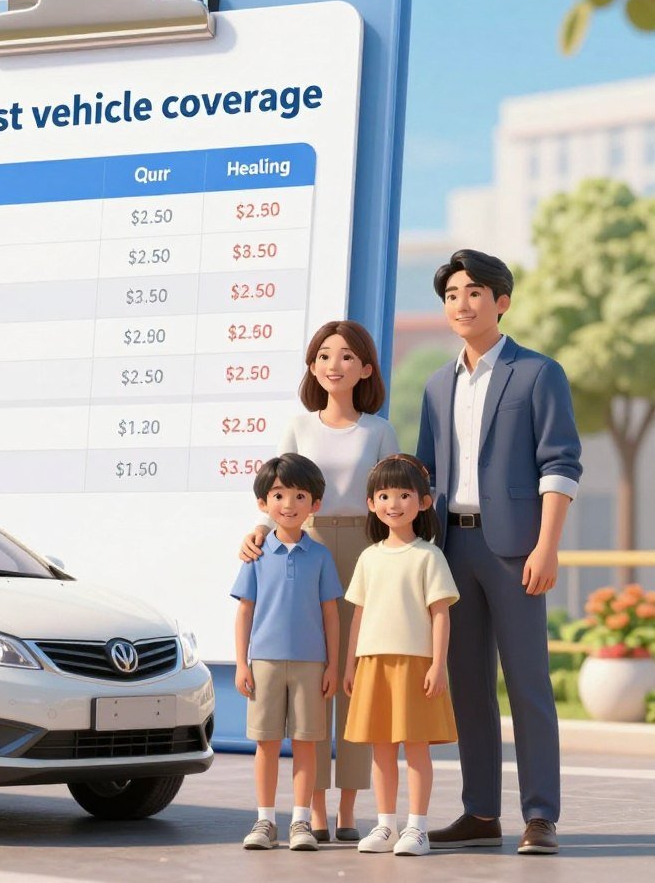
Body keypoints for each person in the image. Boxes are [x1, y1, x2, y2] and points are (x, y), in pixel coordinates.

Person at [417, 249, 582, 856]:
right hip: (452, 547)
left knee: (529, 684)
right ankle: (480, 812)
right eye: (452, 294)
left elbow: (560, 463)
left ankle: (540, 815)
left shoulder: (539, 374)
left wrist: (547, 545)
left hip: (517, 552)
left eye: (474, 293)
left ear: (502, 301)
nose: (462, 303)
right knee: (467, 686)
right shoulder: (437, 384)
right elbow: (423, 474)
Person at [239, 320, 398, 841]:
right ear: (312, 366)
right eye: (325, 355)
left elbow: (390, 499)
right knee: (314, 679)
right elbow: (279, 487)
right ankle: (315, 810)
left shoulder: (379, 430)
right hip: (305, 545)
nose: (335, 364)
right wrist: (259, 532)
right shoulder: (298, 426)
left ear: (366, 369)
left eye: (348, 356)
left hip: (365, 549)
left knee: (352, 677)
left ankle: (351, 807)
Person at [343, 454, 459, 857]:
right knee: (380, 748)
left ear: (423, 502)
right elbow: (358, 616)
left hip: (416, 663)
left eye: (404, 494)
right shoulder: (369, 557)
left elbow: (440, 614)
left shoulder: (429, 557)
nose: (394, 503)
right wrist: (350, 664)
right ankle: (385, 825)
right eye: (384, 495)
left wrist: (438, 664)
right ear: (372, 503)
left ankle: (417, 828)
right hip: (374, 663)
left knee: (416, 748)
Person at [231, 453, 343, 852]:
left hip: (312, 665)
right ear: (264, 503)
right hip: (264, 663)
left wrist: (334, 664)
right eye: (279, 495)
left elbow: (331, 614)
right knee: (265, 742)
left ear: (315, 505)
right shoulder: (256, 555)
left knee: (307, 742)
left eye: (300, 496)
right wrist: (243, 662)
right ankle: (264, 820)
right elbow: (245, 611)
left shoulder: (321, 556)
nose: (289, 505)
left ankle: (300, 821)